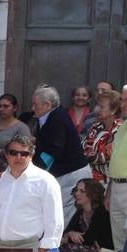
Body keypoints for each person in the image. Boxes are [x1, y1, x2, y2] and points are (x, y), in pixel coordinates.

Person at [29, 84, 91, 223]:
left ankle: (60, 243)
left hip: (71, 174)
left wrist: (35, 170)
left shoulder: (58, 119)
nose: (32, 108)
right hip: (62, 173)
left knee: (63, 215)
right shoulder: (48, 116)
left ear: (47, 104)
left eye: (35, 104)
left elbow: (52, 150)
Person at [53, 178, 113, 252]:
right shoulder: (80, 212)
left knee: (72, 249)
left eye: (82, 191)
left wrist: (67, 238)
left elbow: (87, 239)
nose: (77, 193)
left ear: (92, 194)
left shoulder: (102, 212)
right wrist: (70, 233)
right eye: (76, 190)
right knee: (58, 249)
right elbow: (67, 233)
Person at [109, 85, 127, 252]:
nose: (122, 104)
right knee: (119, 243)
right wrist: (110, 192)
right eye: (122, 100)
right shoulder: (124, 126)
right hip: (117, 188)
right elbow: (115, 162)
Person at [81, 89, 120, 185]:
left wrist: (86, 155)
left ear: (114, 110)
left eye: (101, 106)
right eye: (97, 105)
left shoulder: (119, 129)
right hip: (88, 180)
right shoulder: (96, 126)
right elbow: (82, 148)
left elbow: (105, 156)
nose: (97, 109)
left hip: (108, 184)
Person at [0, 94, 26, 177]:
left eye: (6, 106)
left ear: (14, 108)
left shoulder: (22, 128)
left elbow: (24, 152)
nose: (1, 109)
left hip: (9, 173)